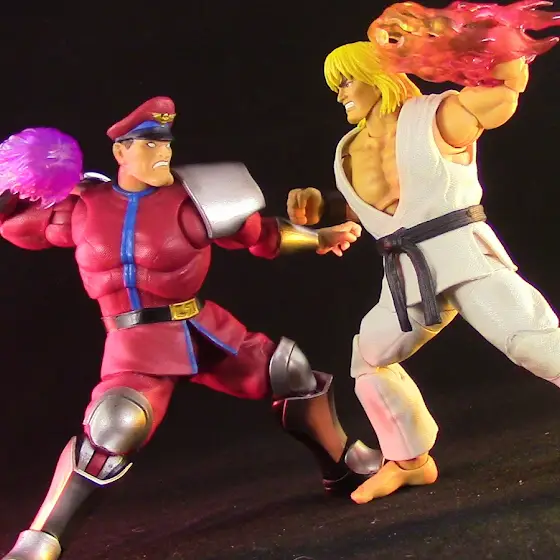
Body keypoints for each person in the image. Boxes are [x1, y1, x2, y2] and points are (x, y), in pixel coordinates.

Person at [0, 96, 382, 560]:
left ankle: (344, 465)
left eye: (165, 143)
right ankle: (42, 537)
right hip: (136, 346)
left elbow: (261, 235)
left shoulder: (195, 198)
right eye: (148, 144)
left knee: (290, 370)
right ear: (120, 152)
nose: (163, 153)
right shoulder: (81, 207)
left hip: (203, 331)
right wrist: (20, 175)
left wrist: (318, 238)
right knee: (114, 427)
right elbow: (13, 223)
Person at [286, 40, 560, 505]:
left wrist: (499, 44)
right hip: (407, 275)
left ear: (378, 76)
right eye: (336, 86)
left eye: (346, 81)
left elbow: (502, 94)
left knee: (534, 343)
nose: (340, 94)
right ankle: (409, 460)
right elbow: (374, 205)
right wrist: (321, 209)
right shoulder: (347, 149)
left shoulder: (435, 116)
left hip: (463, 255)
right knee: (369, 357)